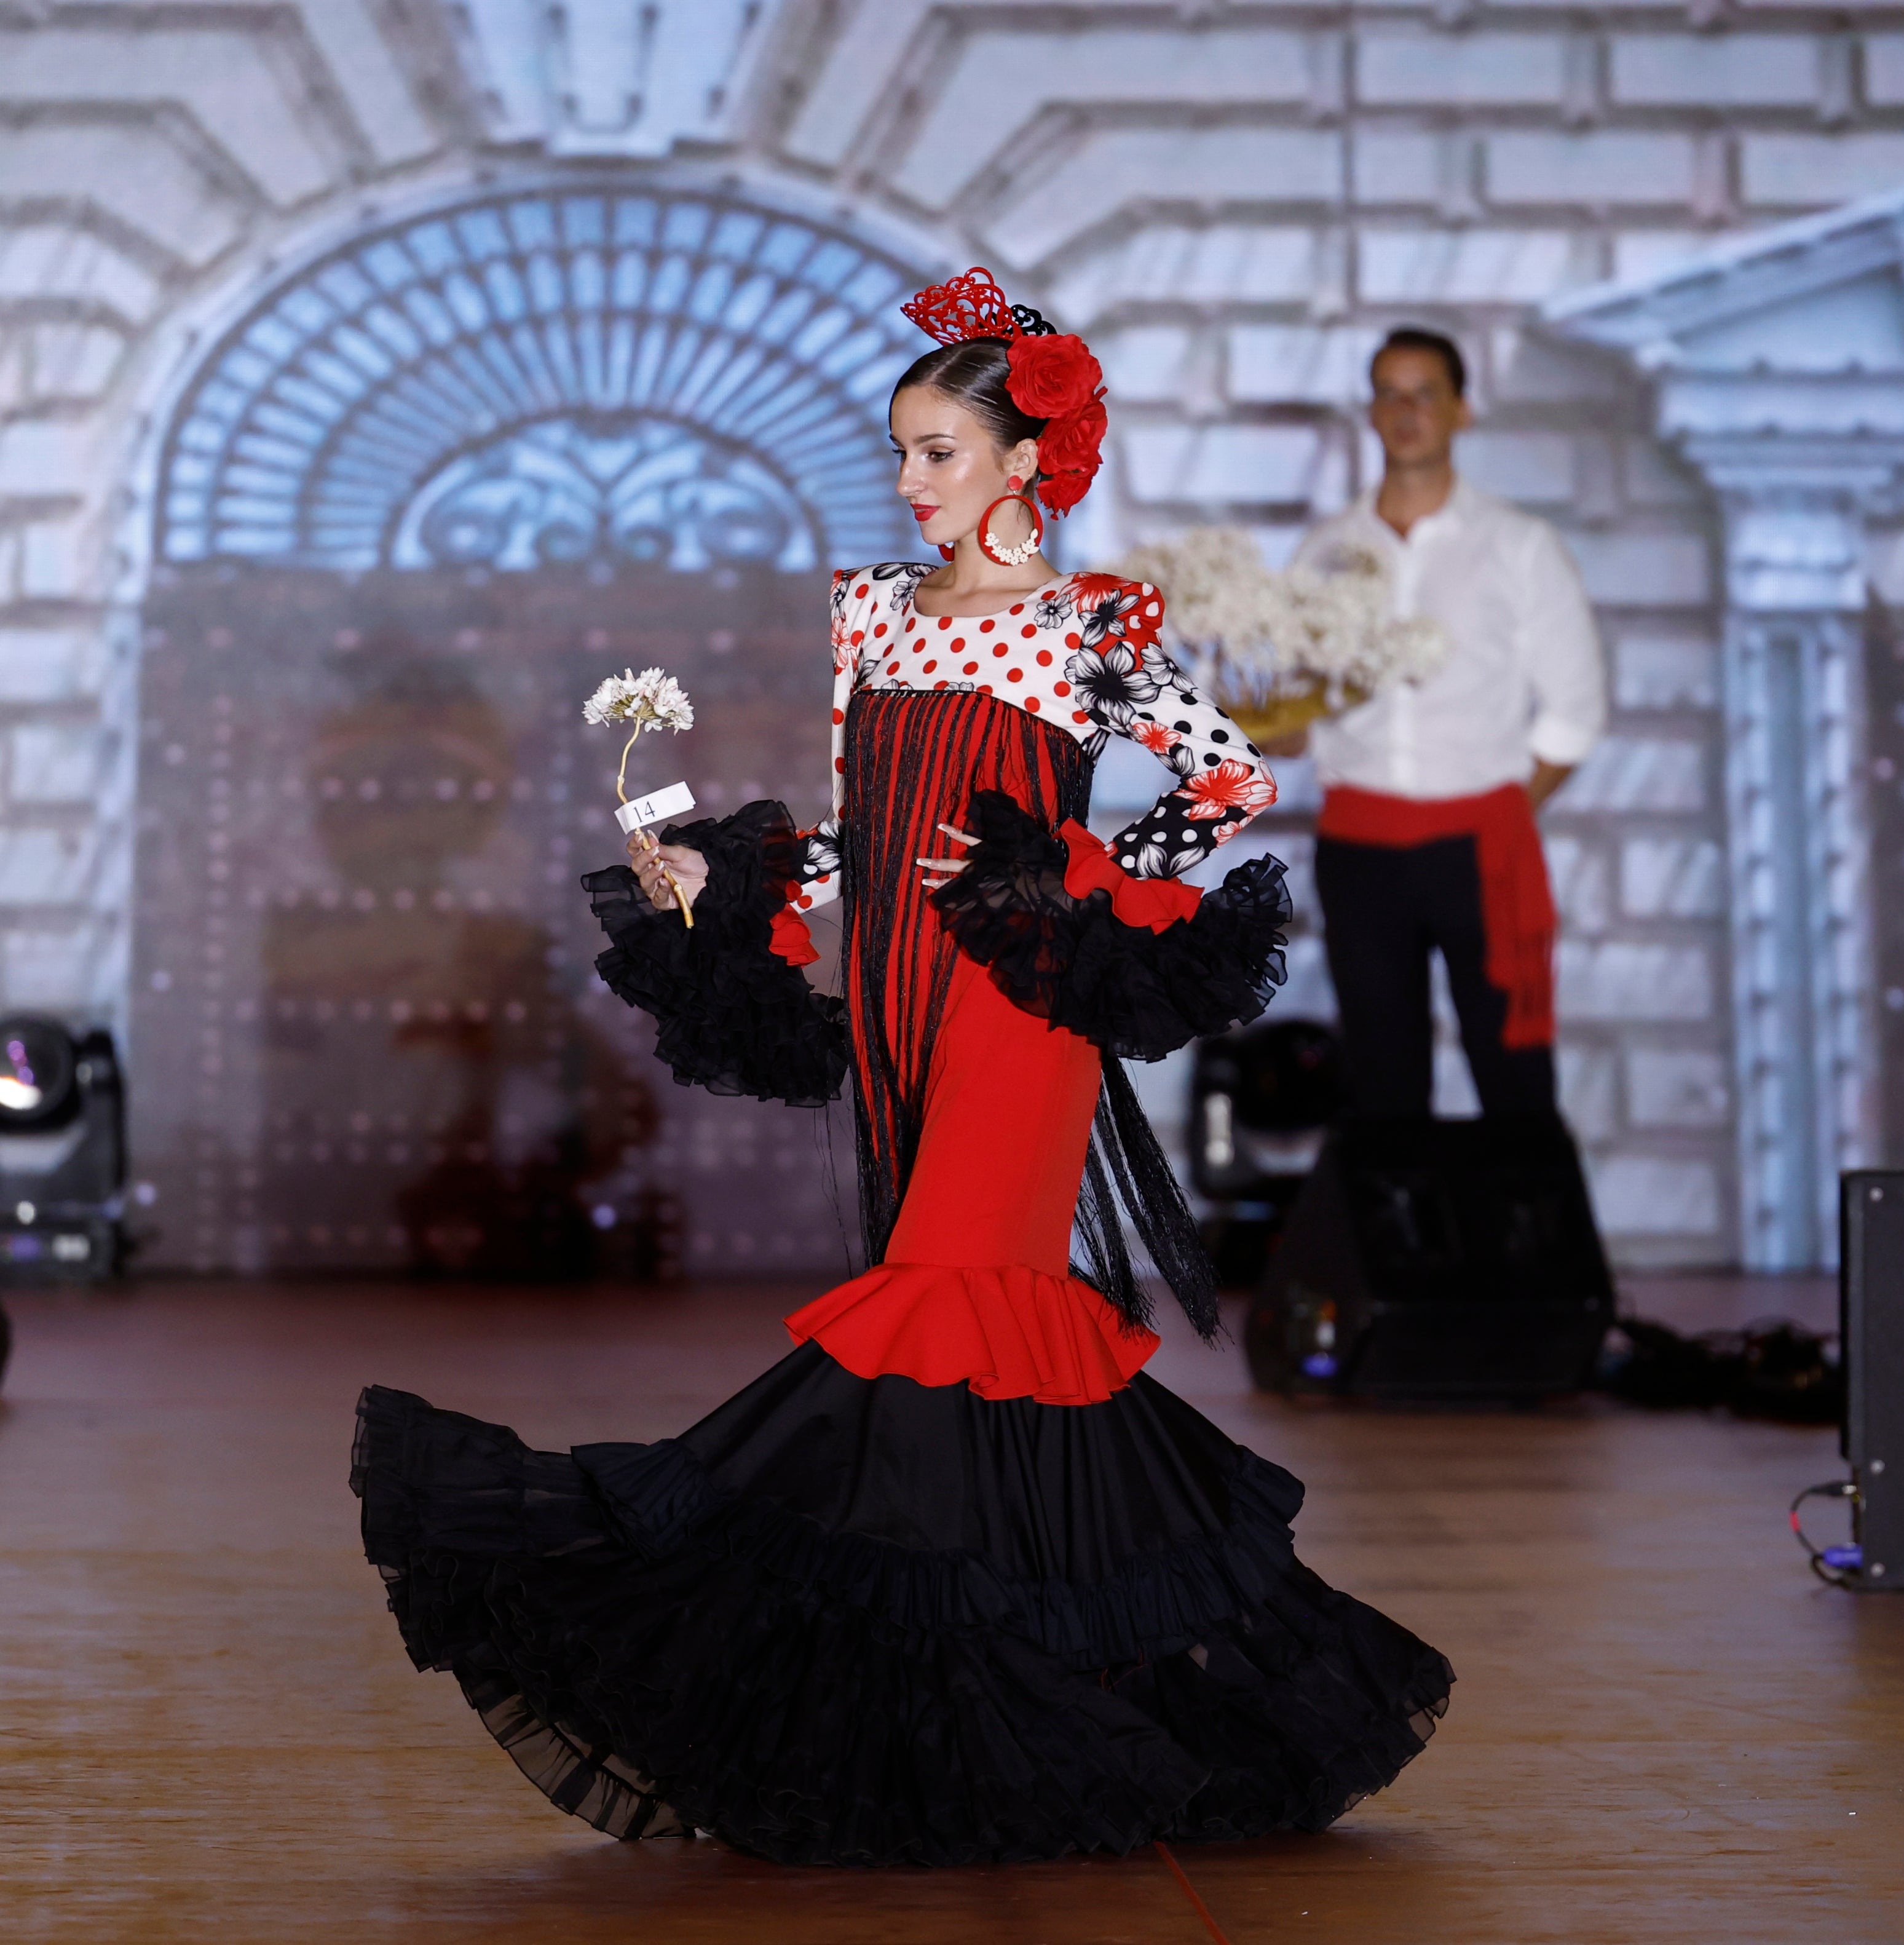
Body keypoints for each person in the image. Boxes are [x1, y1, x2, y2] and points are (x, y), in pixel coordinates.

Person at [349, 270, 1453, 1864]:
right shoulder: (869, 608)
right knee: (979, 1360)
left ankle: (883, 1688)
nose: (913, 481)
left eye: (940, 451)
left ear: (1022, 459)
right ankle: (1127, 1690)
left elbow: (1228, 782)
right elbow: (851, 827)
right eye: (902, 451)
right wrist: (730, 898)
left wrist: (1072, 876)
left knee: (943, 1308)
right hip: (891, 997)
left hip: (1017, 1005)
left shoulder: (1089, 626)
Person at [1279, 327, 1607, 1117]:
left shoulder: (1517, 545)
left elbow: (1576, 710)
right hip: (1358, 846)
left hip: (1480, 845)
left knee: (1515, 1077)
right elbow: (1294, 712)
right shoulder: (1327, 549)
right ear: (1371, 412)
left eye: (1424, 393)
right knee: (1382, 1083)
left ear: (1461, 411)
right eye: (1389, 393)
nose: (1406, 411)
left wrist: (1493, 816)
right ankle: (1398, 1246)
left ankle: (1529, 1244)